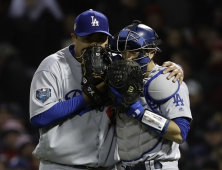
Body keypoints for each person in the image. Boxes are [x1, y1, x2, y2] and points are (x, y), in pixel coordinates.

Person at [29, 10, 184, 170]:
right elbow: (40, 117)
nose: (94, 45)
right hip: (62, 166)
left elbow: (148, 68)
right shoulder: (52, 66)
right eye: (87, 39)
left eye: (100, 39)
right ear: (74, 38)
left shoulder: (115, 61)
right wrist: (86, 97)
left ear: (108, 39)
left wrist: (176, 69)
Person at [109, 20, 192, 170]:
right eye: (123, 50)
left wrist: (141, 114)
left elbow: (180, 133)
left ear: (152, 52)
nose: (127, 57)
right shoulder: (117, 76)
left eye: (134, 50)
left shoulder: (168, 80)